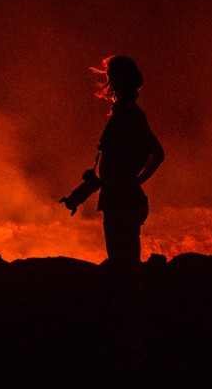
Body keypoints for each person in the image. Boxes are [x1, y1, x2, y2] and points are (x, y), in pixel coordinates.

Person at [60, 55, 165, 268]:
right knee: (123, 262)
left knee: (123, 265)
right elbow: (144, 157)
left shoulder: (130, 114)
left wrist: (131, 182)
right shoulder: (129, 114)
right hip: (119, 197)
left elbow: (155, 155)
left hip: (121, 200)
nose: (111, 85)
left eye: (113, 78)